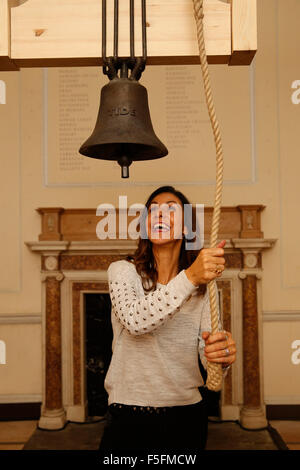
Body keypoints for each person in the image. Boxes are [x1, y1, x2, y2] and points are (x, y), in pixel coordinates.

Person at [98, 186, 236, 453]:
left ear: (186, 229)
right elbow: (135, 321)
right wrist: (191, 277)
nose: (160, 213)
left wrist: (221, 355)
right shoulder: (122, 272)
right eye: (153, 210)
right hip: (127, 414)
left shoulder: (203, 288)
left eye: (172, 208)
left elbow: (210, 362)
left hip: (186, 416)